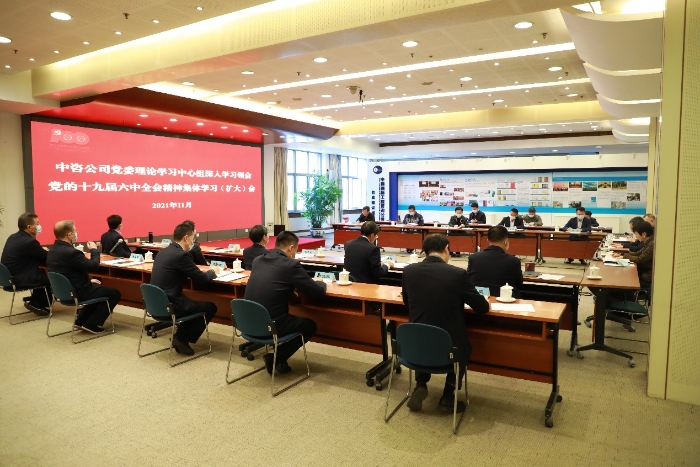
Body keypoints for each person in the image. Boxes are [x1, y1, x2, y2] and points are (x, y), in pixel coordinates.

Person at [402, 234, 490, 413]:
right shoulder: (457, 274)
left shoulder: (409, 271)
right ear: (446, 249)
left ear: (425, 251)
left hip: (415, 345)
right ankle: (448, 397)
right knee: (462, 347)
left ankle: (420, 384)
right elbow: (481, 308)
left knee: (424, 337)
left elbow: (406, 302)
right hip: (448, 348)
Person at [244, 231, 326, 374]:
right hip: (271, 325)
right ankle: (276, 357)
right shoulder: (291, 265)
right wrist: (320, 282)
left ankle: (279, 358)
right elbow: (316, 292)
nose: (295, 254)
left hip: (247, 323)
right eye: (296, 250)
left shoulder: (257, 260)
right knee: (310, 325)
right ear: (291, 248)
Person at [150, 223, 220, 355]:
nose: (194, 241)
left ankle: (181, 336)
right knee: (210, 307)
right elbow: (202, 279)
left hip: (156, 303)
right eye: (193, 238)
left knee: (194, 304)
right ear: (186, 238)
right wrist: (213, 271)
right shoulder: (182, 255)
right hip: (171, 303)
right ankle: (181, 338)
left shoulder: (163, 252)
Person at [47, 220, 121, 333]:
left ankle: (80, 321)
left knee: (98, 289)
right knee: (114, 293)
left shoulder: (52, 250)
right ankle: (93, 323)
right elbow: (93, 266)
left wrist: (88, 281)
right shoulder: (72, 252)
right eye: (75, 231)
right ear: (69, 234)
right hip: (78, 291)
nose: (76, 233)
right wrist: (94, 250)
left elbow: (68, 272)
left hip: (64, 292)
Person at [1, 213, 52, 315]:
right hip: (19, 278)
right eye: (37, 224)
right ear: (29, 227)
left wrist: (40, 250)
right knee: (50, 278)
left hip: (9, 278)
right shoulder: (29, 242)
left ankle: (36, 299)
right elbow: (47, 258)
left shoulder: (13, 237)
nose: (39, 226)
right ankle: (37, 303)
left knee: (41, 272)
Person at [467, 226, 523, 297]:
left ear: (487, 240)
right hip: (505, 298)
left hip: (480, 298)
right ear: (506, 241)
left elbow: (469, 280)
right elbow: (519, 283)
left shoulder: (473, 258)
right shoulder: (514, 261)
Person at [613, 221, 654, 287]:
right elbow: (638, 253)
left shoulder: (652, 244)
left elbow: (640, 259)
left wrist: (624, 257)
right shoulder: (648, 241)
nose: (636, 236)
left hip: (647, 276)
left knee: (623, 278)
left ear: (644, 234)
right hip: (643, 272)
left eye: (636, 234)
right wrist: (622, 254)